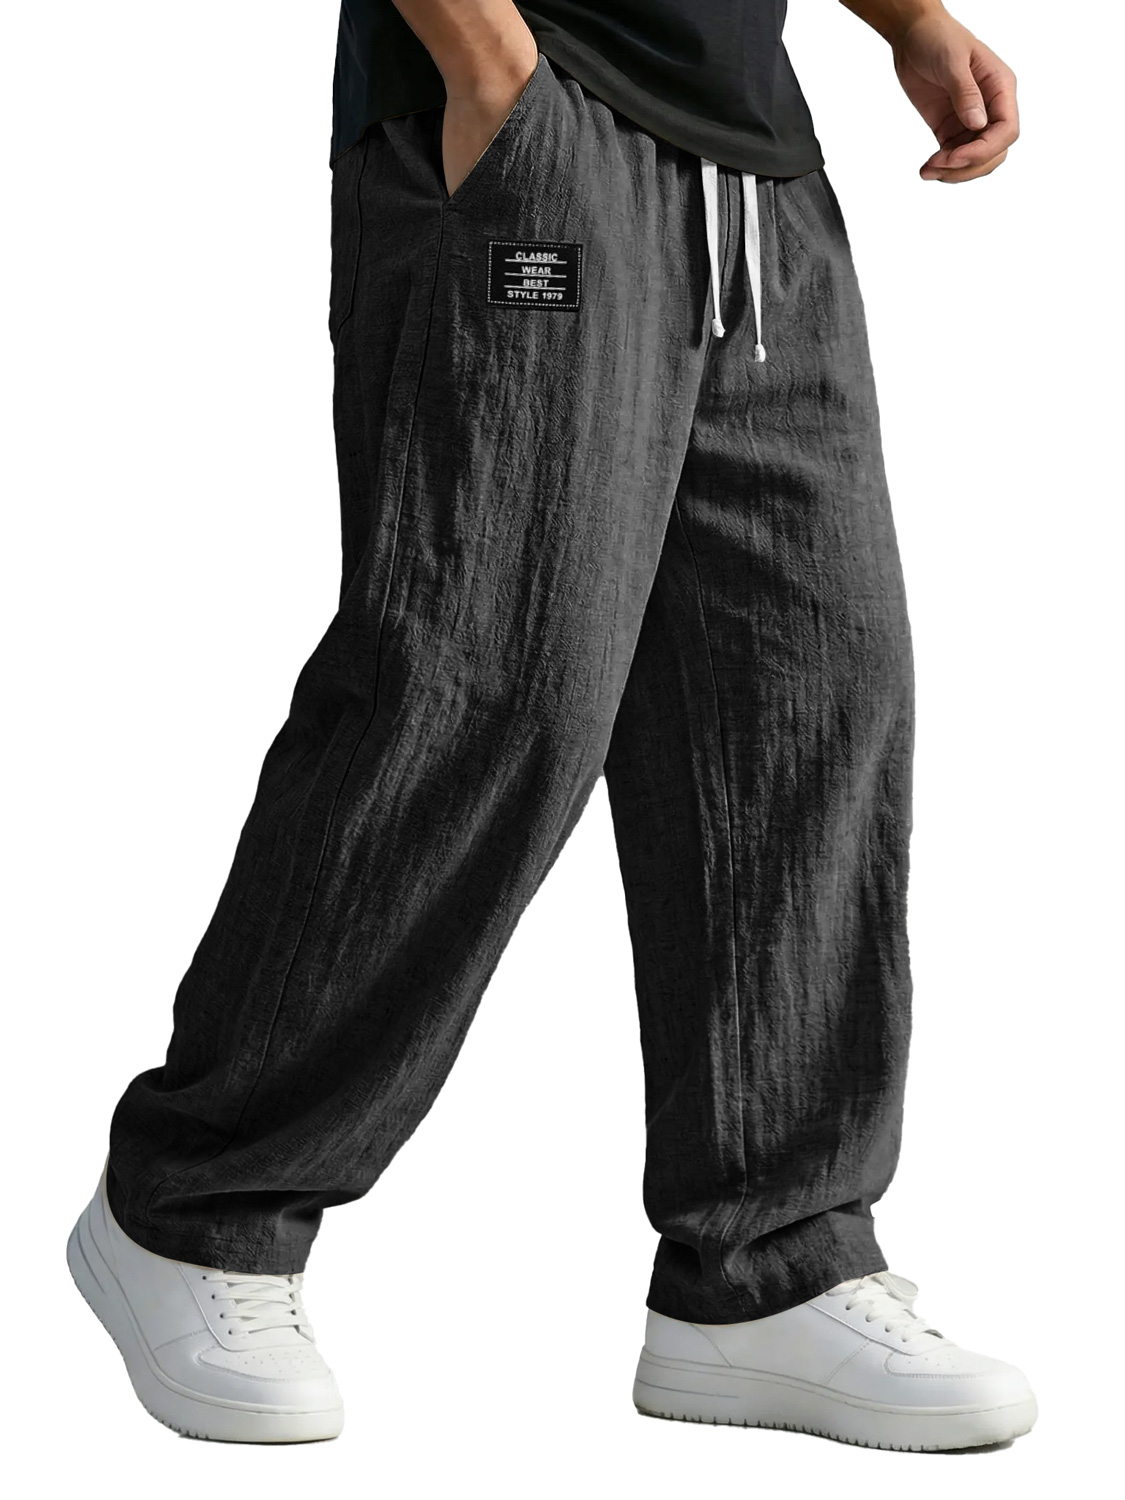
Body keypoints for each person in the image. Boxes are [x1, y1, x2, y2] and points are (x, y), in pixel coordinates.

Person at [68, 0, 1034, 1450]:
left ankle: (764, 1270)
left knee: (805, 696)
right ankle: (198, 1208)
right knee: (489, 683)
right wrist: (489, 72)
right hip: (542, 115)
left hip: (755, 172)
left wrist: (907, 20)